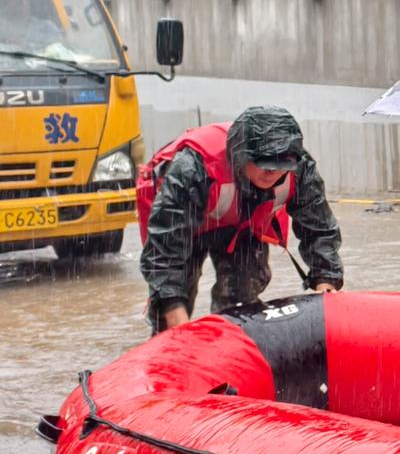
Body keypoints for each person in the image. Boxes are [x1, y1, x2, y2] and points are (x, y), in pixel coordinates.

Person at [138, 106, 343, 332]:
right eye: (263, 164)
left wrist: (326, 280)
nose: (271, 173)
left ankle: (232, 344)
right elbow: (164, 246)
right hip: (185, 230)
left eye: (280, 167)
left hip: (242, 228)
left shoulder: (300, 169)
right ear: (241, 156)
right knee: (172, 305)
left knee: (241, 301)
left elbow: (319, 229)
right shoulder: (193, 167)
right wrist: (174, 312)